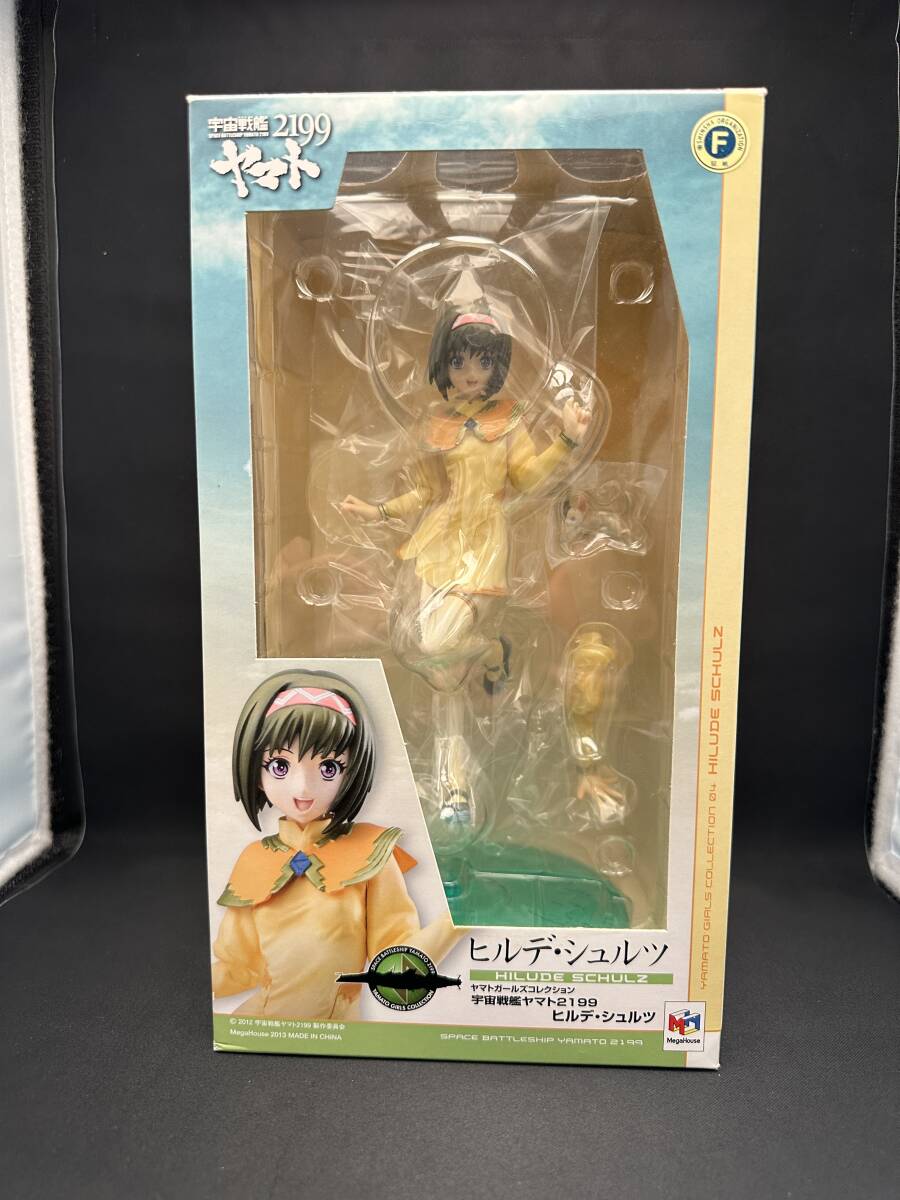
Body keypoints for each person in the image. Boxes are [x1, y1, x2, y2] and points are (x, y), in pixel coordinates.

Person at [212, 669, 459, 1019]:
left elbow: (396, 967)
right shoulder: (255, 859)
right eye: (279, 765)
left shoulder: (369, 853)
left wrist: (458, 918)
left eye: (329, 767)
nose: (302, 788)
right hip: (258, 1029)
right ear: (255, 770)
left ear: (352, 771)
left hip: (337, 1033)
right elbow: (238, 968)